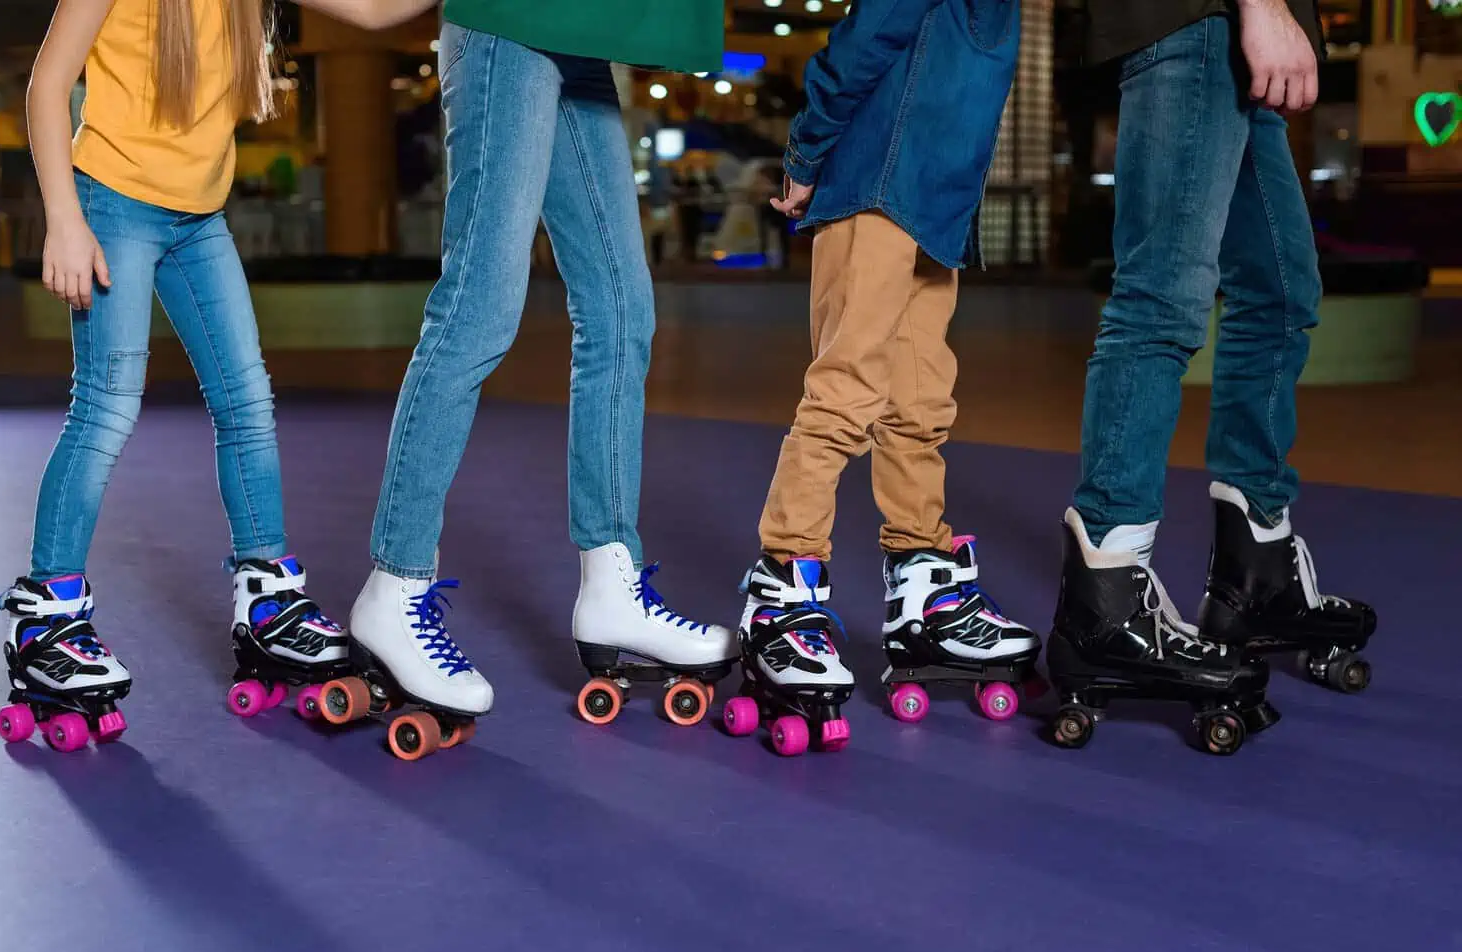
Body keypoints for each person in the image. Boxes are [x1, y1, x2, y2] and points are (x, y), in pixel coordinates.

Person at [0, 0, 431, 753]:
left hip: (200, 218)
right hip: (115, 203)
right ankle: (47, 616)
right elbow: (46, 86)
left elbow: (366, 9)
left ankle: (268, 600)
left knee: (248, 403)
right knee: (105, 408)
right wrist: (64, 218)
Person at [347, 0, 738, 730]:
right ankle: (394, 585)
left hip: (581, 28)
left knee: (622, 311)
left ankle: (610, 582)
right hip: (512, 21)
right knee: (478, 307)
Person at [1045, 0, 1377, 754]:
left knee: (1281, 292)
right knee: (1159, 297)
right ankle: (1106, 597)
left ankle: (1255, 568)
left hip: (1227, 32)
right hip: (1194, 18)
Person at [727, 0, 1042, 756]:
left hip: (938, 206)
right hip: (876, 181)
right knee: (845, 394)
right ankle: (782, 593)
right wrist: (805, 157)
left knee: (921, 404)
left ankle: (923, 584)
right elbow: (863, 40)